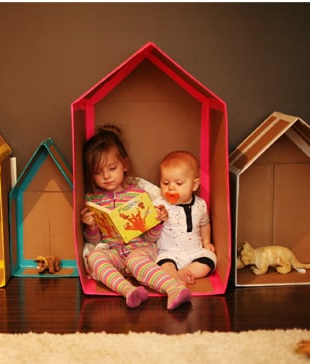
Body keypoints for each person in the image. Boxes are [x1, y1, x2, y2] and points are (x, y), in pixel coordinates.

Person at [80, 124, 192, 310]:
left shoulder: (138, 194)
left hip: (140, 248)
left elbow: (151, 238)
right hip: (114, 251)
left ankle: (174, 288)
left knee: (135, 261)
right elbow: (95, 240)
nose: (106, 176)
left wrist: (157, 221)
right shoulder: (93, 199)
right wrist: (90, 226)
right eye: (98, 172)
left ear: (124, 165)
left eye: (112, 168)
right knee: (94, 258)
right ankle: (128, 291)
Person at [155, 150, 217, 284]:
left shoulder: (200, 204)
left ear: (194, 185)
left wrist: (206, 242)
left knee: (209, 260)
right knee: (162, 265)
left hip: (194, 251)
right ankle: (173, 275)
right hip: (168, 253)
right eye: (165, 183)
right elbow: (149, 224)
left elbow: (205, 223)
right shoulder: (160, 204)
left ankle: (184, 273)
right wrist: (158, 216)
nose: (171, 188)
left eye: (178, 183)